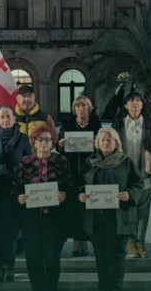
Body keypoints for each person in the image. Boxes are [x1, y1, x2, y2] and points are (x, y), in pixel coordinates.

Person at [79, 128, 143, 291]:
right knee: (100, 257)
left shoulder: (125, 161)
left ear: (116, 143)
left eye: (109, 140)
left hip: (118, 218)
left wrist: (129, 195)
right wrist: (81, 194)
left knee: (116, 257)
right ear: (97, 143)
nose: (106, 143)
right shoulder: (90, 162)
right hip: (96, 219)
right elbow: (80, 184)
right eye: (102, 140)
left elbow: (138, 184)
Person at [13, 125, 71, 291]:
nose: (44, 142)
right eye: (40, 139)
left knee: (52, 258)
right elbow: (16, 187)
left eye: (48, 139)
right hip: (31, 219)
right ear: (34, 142)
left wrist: (64, 194)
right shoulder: (25, 162)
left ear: (52, 142)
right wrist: (19, 197)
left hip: (54, 219)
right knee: (34, 258)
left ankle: (51, 287)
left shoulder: (61, 161)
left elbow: (69, 186)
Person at [0, 105, 32, 283]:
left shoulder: (23, 139)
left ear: (14, 118)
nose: (5, 120)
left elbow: (29, 163)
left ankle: (9, 266)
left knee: (10, 230)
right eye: (2, 117)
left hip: (14, 190)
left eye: (8, 116)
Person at [112, 91, 151, 259]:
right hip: (124, 175)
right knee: (126, 209)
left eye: (139, 100)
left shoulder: (150, 124)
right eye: (132, 100)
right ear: (125, 105)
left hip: (145, 173)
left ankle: (141, 240)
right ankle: (130, 241)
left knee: (143, 210)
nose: (135, 103)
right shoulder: (118, 123)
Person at [58, 95, 102, 257]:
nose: (81, 109)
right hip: (72, 172)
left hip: (91, 171)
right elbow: (61, 148)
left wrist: (95, 142)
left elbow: (102, 146)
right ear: (74, 109)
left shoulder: (96, 124)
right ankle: (77, 242)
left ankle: (88, 241)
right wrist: (61, 143)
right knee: (74, 207)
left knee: (89, 207)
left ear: (89, 108)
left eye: (84, 106)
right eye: (78, 106)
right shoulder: (67, 124)